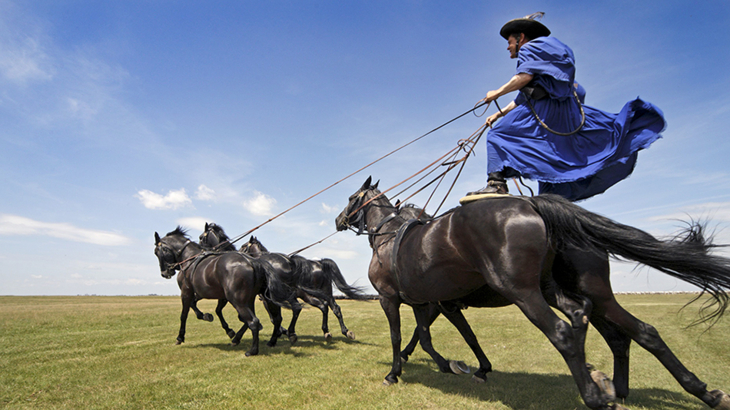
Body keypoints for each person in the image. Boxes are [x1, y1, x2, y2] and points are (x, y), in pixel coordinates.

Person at [470, 13, 665, 202]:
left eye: (509, 42)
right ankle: (552, 201)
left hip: (547, 113)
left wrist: (496, 92)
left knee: (498, 136)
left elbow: (524, 78)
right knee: (544, 168)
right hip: (557, 112)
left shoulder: (531, 48)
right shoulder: (543, 57)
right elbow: (523, 97)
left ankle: (497, 184)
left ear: (521, 38)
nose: (508, 47)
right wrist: (498, 113)